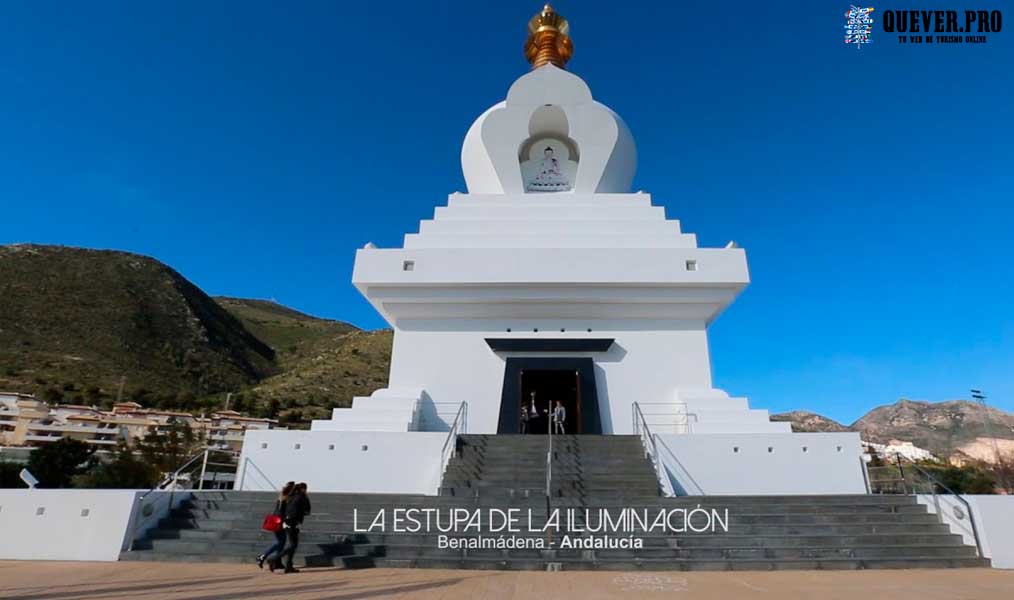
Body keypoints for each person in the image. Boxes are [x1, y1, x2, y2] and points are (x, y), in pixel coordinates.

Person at [257, 481, 294, 571]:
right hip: (279, 522)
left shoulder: (281, 496)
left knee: (281, 542)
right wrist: (285, 521)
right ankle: (263, 556)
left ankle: (278, 563)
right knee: (280, 542)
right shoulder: (287, 498)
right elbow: (282, 512)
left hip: (276, 521)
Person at [278, 482, 311, 573]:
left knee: (293, 545)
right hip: (293, 522)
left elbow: (283, 509)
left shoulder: (290, 496)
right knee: (293, 545)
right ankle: (275, 558)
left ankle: (288, 566)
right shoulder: (302, 496)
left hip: (286, 522)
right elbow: (307, 510)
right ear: (303, 489)